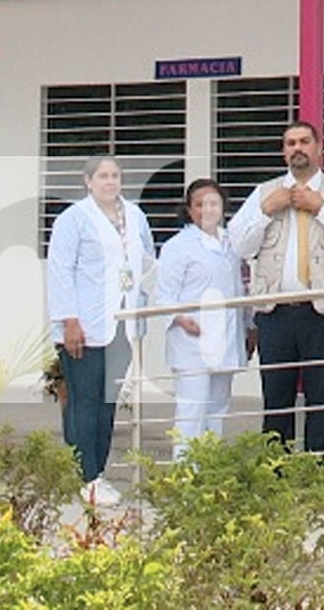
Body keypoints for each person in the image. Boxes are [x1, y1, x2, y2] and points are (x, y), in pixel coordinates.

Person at [228, 120, 324, 454]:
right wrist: (266, 211)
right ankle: (275, 476)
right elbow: (240, 247)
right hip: (275, 313)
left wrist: (319, 208)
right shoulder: (265, 193)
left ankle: (318, 476)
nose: (297, 148)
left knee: (323, 397)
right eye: (290, 143)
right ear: (283, 152)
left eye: (304, 141)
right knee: (276, 397)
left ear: (319, 148)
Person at [46, 154, 155, 506]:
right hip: (86, 324)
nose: (110, 181)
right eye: (103, 176)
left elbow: (148, 261)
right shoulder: (74, 219)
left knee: (108, 402)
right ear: (88, 182)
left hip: (123, 324)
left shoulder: (135, 215)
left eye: (115, 175)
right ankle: (85, 475)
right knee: (84, 401)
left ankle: (98, 472)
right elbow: (60, 271)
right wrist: (69, 321)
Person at [154, 178, 254, 457]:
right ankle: (186, 477)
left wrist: (249, 326)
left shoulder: (232, 243)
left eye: (213, 203)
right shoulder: (178, 246)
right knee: (191, 410)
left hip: (226, 338)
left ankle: (211, 474)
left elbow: (242, 287)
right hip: (192, 341)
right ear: (189, 209)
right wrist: (181, 319)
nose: (206, 210)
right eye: (199, 205)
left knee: (218, 410)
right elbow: (165, 295)